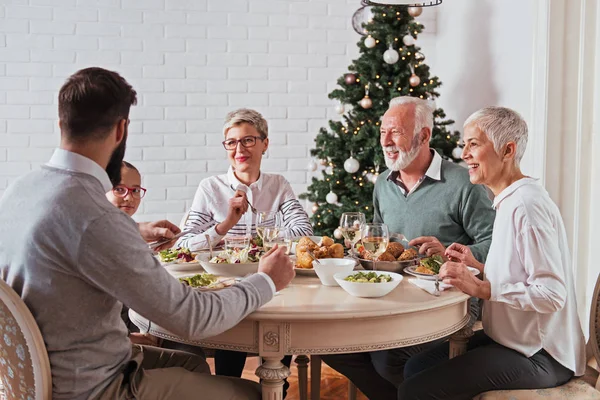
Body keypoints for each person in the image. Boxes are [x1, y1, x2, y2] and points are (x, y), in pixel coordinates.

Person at [0, 67, 295, 400]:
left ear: (61, 124)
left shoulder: (19, 191)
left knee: (192, 366)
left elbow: (65, 238)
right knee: (254, 395)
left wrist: (133, 231)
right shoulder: (97, 217)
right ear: (121, 129)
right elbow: (192, 318)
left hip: (35, 376)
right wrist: (266, 281)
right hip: (93, 387)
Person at [397, 106, 585, 399]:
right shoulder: (509, 200)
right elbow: (523, 271)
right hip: (512, 342)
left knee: (414, 390)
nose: (464, 154)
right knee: (414, 368)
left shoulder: (526, 206)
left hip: (541, 353)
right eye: (464, 145)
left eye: (474, 144)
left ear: (507, 150)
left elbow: (552, 293)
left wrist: (484, 287)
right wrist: (479, 266)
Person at [321, 96, 496, 400]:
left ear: (424, 135)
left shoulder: (464, 183)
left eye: (396, 132)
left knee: (388, 358)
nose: (386, 141)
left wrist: (450, 252)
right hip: (391, 295)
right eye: (382, 132)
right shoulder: (383, 184)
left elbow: (495, 245)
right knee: (330, 345)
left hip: (449, 300)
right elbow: (373, 242)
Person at [177, 108, 314, 396]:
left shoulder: (278, 186)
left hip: (276, 290)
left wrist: (260, 240)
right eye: (232, 142)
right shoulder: (211, 188)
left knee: (279, 356)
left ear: (265, 144)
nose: (239, 149)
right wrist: (225, 225)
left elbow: (304, 230)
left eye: (248, 140)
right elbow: (183, 245)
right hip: (227, 288)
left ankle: (279, 392)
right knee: (230, 371)